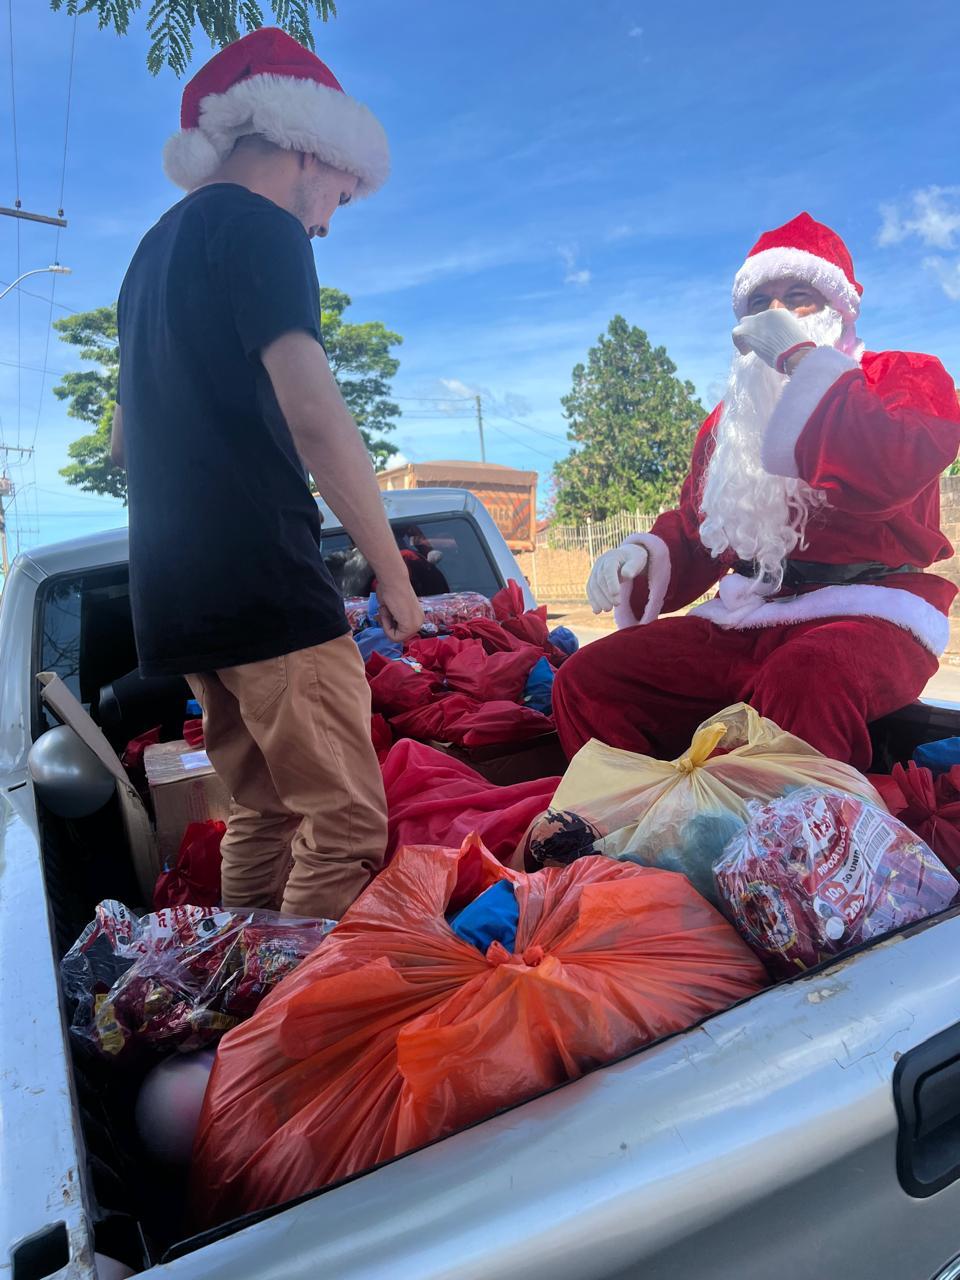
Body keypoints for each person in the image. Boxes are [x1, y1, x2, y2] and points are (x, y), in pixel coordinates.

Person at [112, 28, 424, 920]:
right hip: (267, 586)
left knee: (260, 816)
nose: (328, 217)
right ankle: (297, 1035)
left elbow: (122, 447)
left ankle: (239, 1002)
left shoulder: (147, 257)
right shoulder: (264, 227)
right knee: (349, 825)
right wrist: (394, 575)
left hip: (180, 601)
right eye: (341, 195)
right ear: (306, 147)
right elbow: (316, 416)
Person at [553, 213, 960, 770]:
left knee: (807, 679)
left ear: (839, 309)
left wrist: (800, 361)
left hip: (869, 613)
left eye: (799, 298)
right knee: (592, 678)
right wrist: (642, 555)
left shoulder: (901, 379)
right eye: (760, 304)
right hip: (747, 615)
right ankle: (638, 828)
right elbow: (702, 534)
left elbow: (887, 467)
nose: (778, 315)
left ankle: (791, 853)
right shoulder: (730, 423)